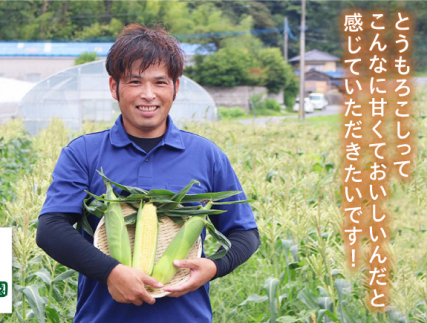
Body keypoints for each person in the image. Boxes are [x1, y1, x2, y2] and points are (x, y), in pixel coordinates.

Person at [36, 24, 260, 323]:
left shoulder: (206, 155)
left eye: (160, 82)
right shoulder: (84, 152)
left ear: (176, 88)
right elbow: (51, 228)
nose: (148, 95)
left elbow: (245, 233)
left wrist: (214, 266)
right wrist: (110, 272)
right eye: (135, 81)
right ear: (114, 87)